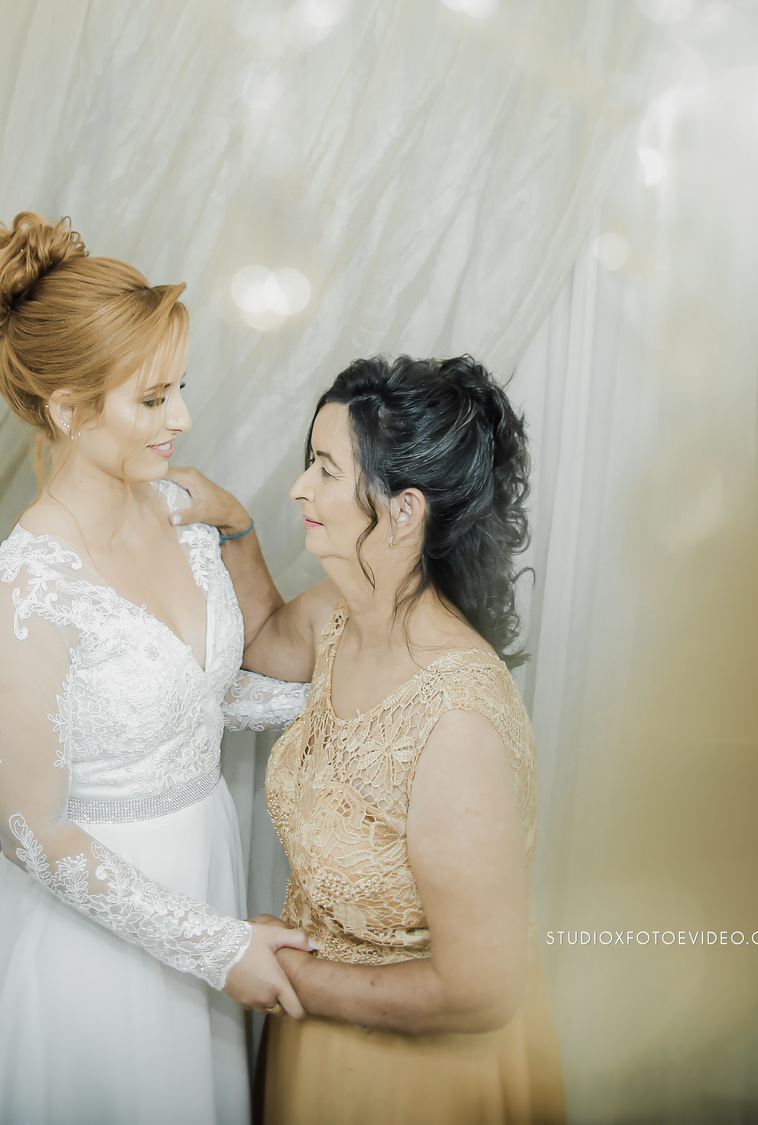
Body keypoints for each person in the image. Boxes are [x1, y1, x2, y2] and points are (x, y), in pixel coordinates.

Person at [0, 212, 310, 1125]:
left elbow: (193, 696)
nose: (182, 418)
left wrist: (335, 699)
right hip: (94, 934)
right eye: (152, 399)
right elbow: (33, 833)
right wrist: (214, 947)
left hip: (203, 864)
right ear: (68, 410)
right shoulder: (26, 589)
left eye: (180, 388)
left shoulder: (179, 512)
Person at [172, 354, 564, 1125]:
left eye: (325, 469)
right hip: (314, 1040)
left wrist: (279, 973)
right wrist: (234, 525)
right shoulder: (338, 613)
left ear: (404, 509)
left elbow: (482, 990)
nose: (300, 489)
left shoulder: (458, 721)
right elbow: (262, 638)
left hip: (418, 1078)